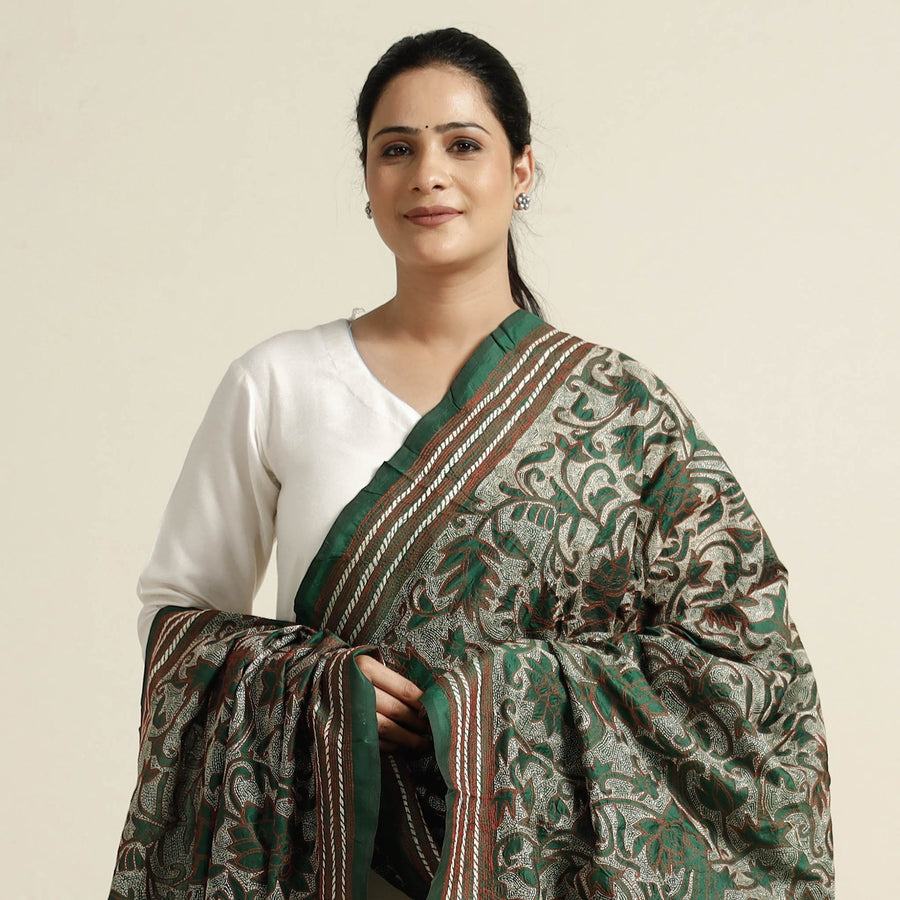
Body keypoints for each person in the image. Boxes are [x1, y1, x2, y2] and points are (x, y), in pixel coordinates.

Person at [110, 27, 833, 900]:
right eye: (396, 149)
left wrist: (500, 694)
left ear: (520, 169)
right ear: (367, 179)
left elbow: (746, 662)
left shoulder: (623, 408)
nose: (428, 174)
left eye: (462, 144)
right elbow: (179, 624)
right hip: (335, 856)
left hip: (547, 871)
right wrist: (318, 686)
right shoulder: (278, 381)